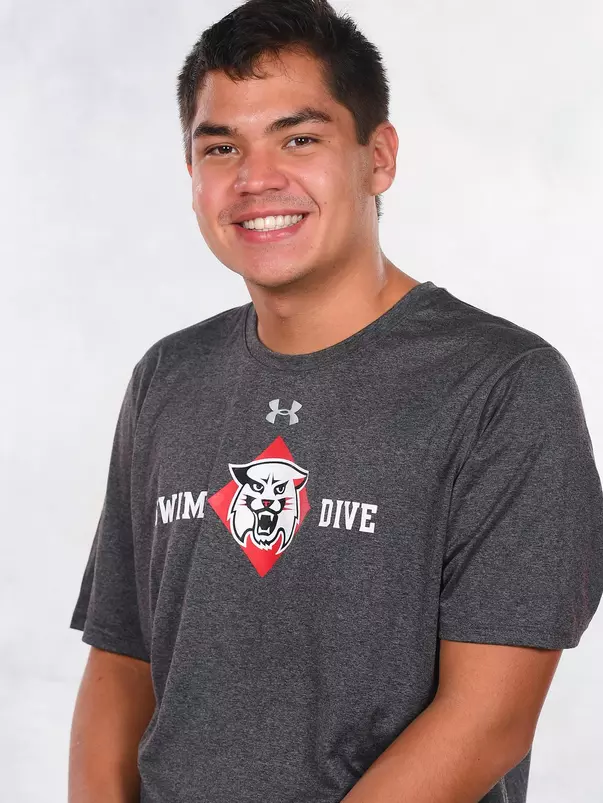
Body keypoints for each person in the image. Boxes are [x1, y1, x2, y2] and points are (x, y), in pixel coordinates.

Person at [68, 1, 603, 801]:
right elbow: (120, 660)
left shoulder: (503, 385)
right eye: (221, 147)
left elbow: (486, 718)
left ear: (377, 157)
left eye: (299, 138)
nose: (255, 178)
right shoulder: (167, 378)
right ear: (192, 175)